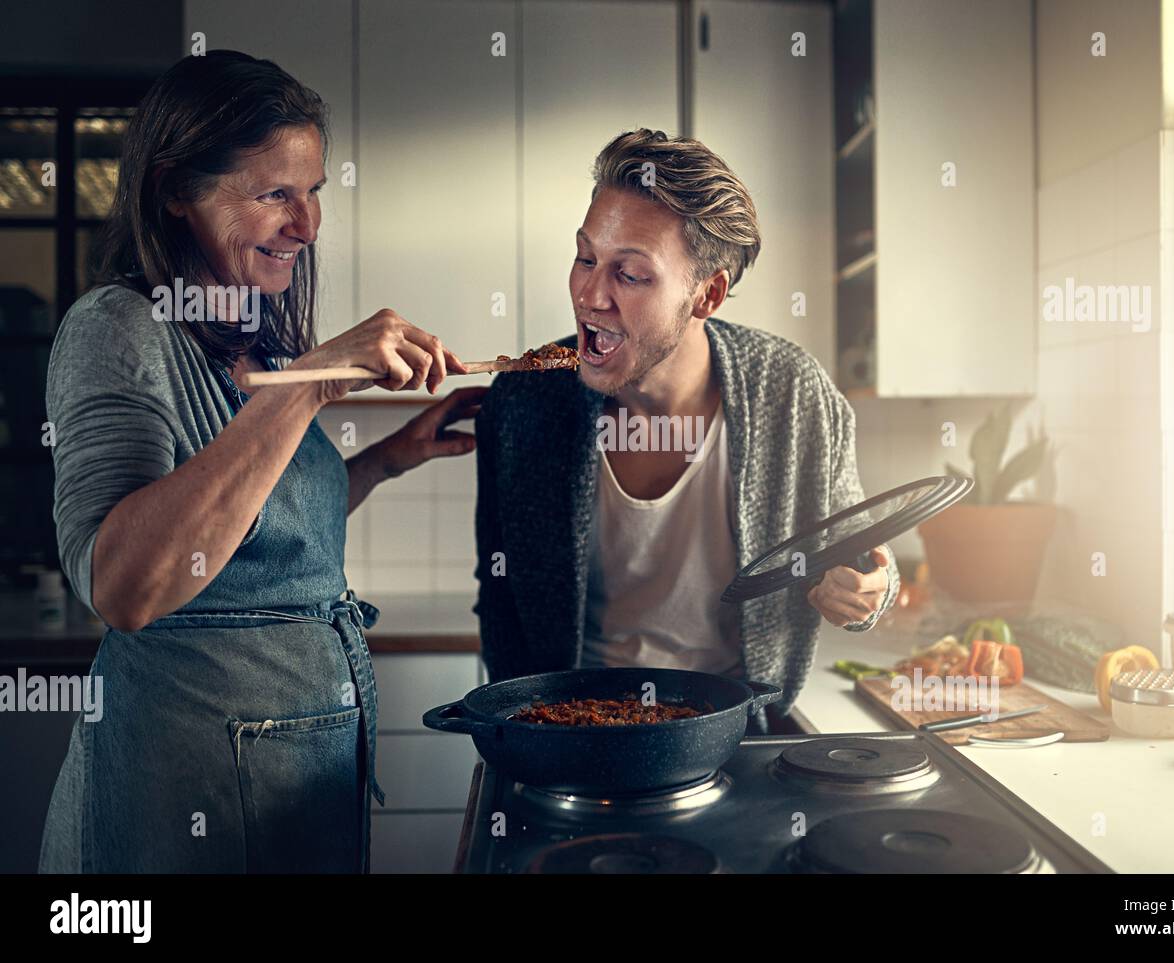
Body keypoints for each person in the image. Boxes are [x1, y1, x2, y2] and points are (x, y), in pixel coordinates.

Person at [39, 50, 483, 873]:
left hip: (295, 774)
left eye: (312, 191)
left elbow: (256, 537)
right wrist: (309, 386)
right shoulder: (118, 328)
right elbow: (124, 587)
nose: (307, 225)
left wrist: (391, 457)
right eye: (274, 194)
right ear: (176, 189)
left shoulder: (253, 341)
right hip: (183, 789)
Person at [473, 129, 899, 730]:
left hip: (735, 727)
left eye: (630, 274)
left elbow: (860, 545)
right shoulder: (524, 401)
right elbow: (499, 595)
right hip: (565, 732)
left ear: (708, 294)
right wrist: (515, 733)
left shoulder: (793, 391)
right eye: (585, 258)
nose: (590, 295)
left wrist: (868, 588)